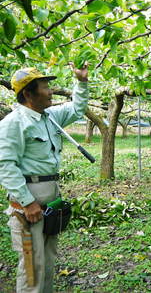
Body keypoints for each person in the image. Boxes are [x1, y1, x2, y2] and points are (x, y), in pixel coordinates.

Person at [0, 64, 89, 293]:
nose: (51, 92)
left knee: (48, 261)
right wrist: (27, 202)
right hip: (28, 203)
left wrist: (81, 82)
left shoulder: (50, 116)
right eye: (45, 87)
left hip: (50, 200)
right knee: (32, 264)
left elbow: (78, 109)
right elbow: (5, 165)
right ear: (28, 94)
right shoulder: (13, 123)